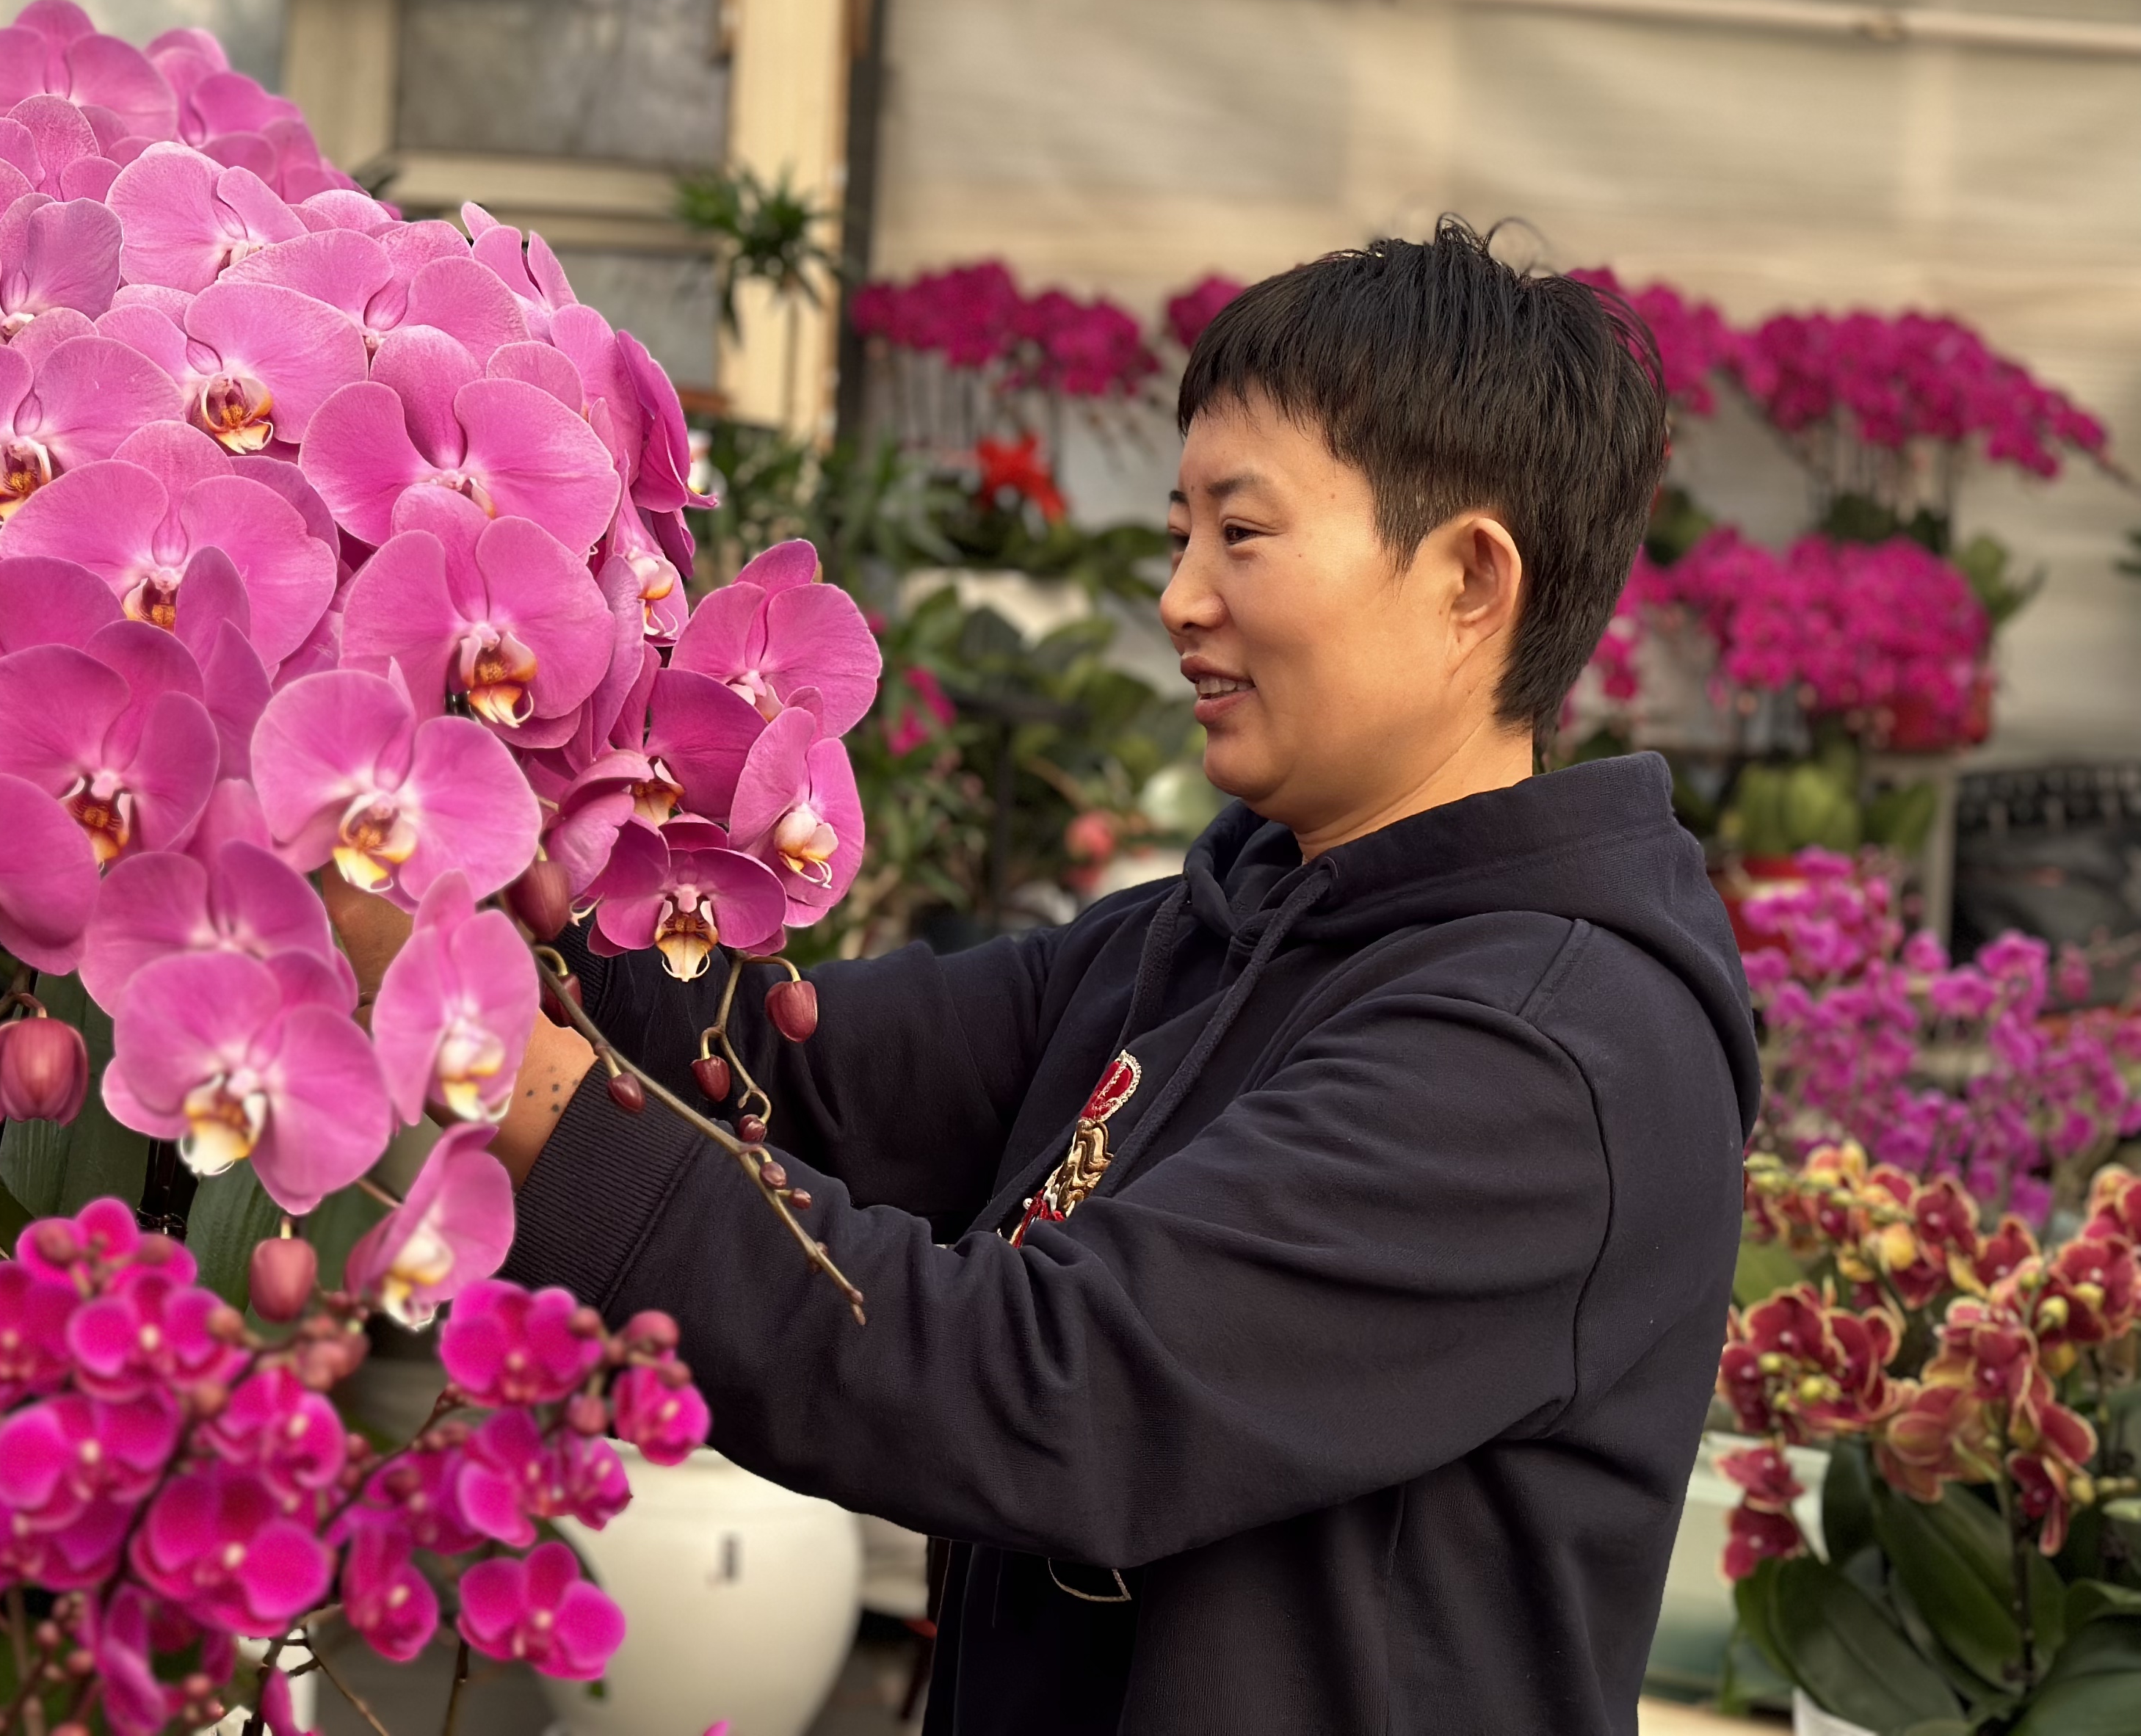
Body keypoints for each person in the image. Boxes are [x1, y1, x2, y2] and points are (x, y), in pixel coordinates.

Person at [394, 221, 1756, 1733]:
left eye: (1240, 535)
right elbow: (789, 1073)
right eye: (1180, 533)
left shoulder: (1544, 1059)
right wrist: (443, 832)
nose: (1179, 598)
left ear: (1470, 583)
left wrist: (489, 1046)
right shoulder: (1214, 931)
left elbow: (1040, 1390)